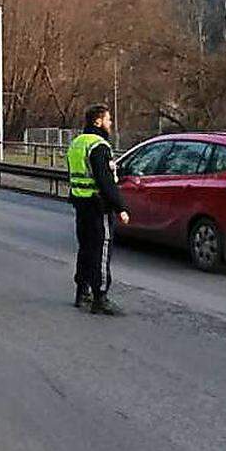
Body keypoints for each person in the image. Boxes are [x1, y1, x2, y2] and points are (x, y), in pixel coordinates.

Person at [67, 104, 130, 315]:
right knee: (102, 250)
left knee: (85, 248)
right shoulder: (99, 146)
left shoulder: (77, 143)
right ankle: (100, 297)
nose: (110, 123)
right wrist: (120, 207)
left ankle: (81, 292)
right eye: (108, 119)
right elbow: (105, 181)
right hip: (98, 205)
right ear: (98, 121)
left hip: (80, 203)